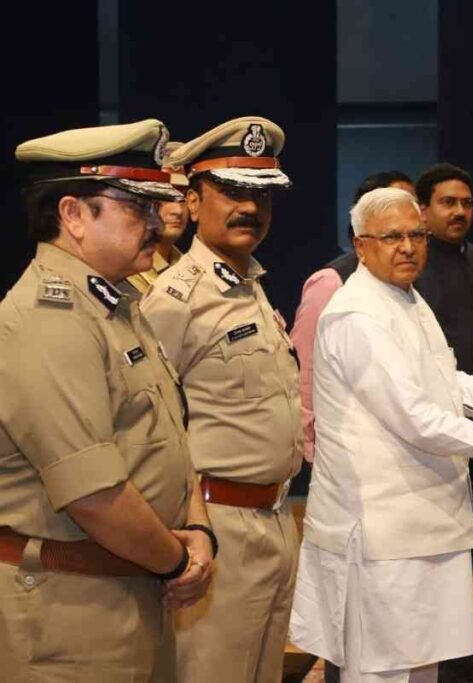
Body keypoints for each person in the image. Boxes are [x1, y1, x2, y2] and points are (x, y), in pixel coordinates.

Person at [289, 187, 473, 683]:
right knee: (379, 669)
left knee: (423, 662)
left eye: (416, 235)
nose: (407, 247)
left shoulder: (407, 298)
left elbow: (439, 378)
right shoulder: (357, 315)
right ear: (361, 246)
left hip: (424, 519)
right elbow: (417, 418)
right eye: (391, 237)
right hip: (381, 529)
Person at [0, 119, 215, 681]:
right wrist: (178, 561)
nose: (157, 223)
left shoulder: (114, 306)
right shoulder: (48, 320)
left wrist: (198, 530)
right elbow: (93, 493)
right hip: (71, 613)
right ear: (72, 214)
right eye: (137, 207)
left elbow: (168, 441)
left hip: (130, 593)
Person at [141, 116, 302, 683]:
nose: (250, 207)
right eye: (232, 191)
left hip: (276, 517)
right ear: (191, 200)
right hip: (217, 525)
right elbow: (147, 423)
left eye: (262, 194)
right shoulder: (176, 299)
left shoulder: (250, 285)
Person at [413, 163, 473, 681]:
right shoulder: (411, 267)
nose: (459, 212)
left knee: (470, 539)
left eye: (466, 203)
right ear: (423, 209)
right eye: (448, 202)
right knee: (434, 548)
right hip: (431, 430)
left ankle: (458, 650)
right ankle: (429, 654)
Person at [291, 170, 415, 463]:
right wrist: (308, 449)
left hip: (400, 449)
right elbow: (303, 372)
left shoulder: (411, 283)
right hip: (342, 454)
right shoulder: (330, 282)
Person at [123, 142, 190, 295]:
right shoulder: (121, 269)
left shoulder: (189, 267)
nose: (178, 210)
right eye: (164, 198)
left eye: (183, 198)